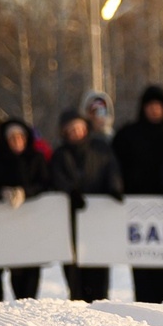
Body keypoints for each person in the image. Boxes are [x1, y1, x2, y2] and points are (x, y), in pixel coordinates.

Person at [115, 85, 163, 303]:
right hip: (138, 210)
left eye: (159, 106)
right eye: (150, 106)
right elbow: (115, 166)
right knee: (144, 271)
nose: (154, 110)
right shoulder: (128, 134)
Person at [48, 108, 122, 301]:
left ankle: (100, 303)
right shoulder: (61, 154)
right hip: (71, 220)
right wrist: (70, 192)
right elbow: (56, 178)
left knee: (98, 270)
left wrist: (115, 189)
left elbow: (111, 169)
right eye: (71, 129)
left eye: (79, 127)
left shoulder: (100, 148)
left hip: (98, 219)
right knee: (75, 272)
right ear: (64, 132)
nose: (76, 132)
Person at [0, 118, 51, 299]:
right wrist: (3, 193)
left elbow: (45, 184)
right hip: (8, 226)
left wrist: (25, 193)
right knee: (16, 268)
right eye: (12, 138)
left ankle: (29, 302)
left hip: (34, 224)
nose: (17, 141)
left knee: (32, 268)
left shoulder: (36, 158)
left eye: (20, 137)